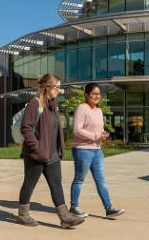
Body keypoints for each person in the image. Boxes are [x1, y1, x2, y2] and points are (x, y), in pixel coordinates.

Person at [18, 74, 84, 229]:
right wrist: (37, 148)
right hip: (36, 154)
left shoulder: (52, 105)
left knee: (56, 184)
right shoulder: (35, 104)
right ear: (47, 87)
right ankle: (23, 215)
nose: (58, 91)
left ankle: (65, 217)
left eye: (59, 87)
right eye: (57, 87)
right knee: (29, 183)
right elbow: (26, 128)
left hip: (52, 154)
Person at [70, 83, 124, 218]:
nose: (96, 96)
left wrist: (102, 135)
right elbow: (77, 130)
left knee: (101, 181)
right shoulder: (82, 108)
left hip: (97, 150)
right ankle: (74, 207)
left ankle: (109, 208)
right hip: (83, 150)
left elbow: (97, 130)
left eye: (98, 94)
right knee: (79, 180)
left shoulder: (99, 111)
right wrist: (95, 136)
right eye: (93, 94)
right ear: (86, 95)